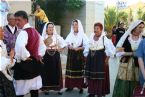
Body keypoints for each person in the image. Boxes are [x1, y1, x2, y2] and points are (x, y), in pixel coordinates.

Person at [13, 11, 46, 97]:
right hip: (34, 64)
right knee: (34, 90)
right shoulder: (35, 31)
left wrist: (26, 56)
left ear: (26, 20)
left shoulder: (23, 32)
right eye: (15, 20)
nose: (16, 22)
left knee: (20, 91)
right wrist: (39, 55)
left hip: (24, 65)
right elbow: (42, 46)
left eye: (19, 20)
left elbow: (20, 47)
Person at [113, 20, 145, 97]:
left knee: (137, 85)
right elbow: (117, 52)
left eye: (143, 27)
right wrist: (131, 53)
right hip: (126, 65)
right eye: (139, 27)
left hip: (139, 66)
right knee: (124, 85)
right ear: (134, 27)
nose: (141, 29)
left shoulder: (143, 39)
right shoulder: (126, 38)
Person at [84, 23, 115, 97]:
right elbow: (87, 48)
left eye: (97, 29)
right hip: (91, 61)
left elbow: (111, 50)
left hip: (100, 61)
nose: (96, 30)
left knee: (99, 78)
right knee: (91, 77)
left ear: (101, 30)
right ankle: (92, 92)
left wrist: (107, 60)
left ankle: (99, 93)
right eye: (95, 28)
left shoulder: (104, 39)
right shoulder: (91, 37)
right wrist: (86, 57)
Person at [41, 22, 66, 95]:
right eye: (49, 27)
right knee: (46, 72)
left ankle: (57, 88)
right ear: (46, 29)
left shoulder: (57, 36)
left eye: (52, 27)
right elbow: (40, 46)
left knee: (56, 71)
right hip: (46, 56)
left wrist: (60, 49)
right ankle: (46, 89)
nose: (51, 29)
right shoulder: (43, 37)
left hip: (55, 55)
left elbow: (64, 44)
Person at [65, 19, 89, 94]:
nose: (74, 26)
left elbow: (87, 45)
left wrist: (79, 48)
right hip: (71, 55)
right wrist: (69, 46)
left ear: (79, 25)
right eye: (73, 25)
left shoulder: (83, 35)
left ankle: (80, 87)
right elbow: (66, 43)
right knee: (71, 70)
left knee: (79, 70)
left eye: (76, 24)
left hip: (79, 55)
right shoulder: (70, 34)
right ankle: (70, 86)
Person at [0, 27, 16, 97]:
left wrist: (11, 57)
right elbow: (1, 62)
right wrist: (11, 58)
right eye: (2, 31)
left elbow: (5, 58)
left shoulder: (2, 43)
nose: (4, 33)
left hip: (5, 71)